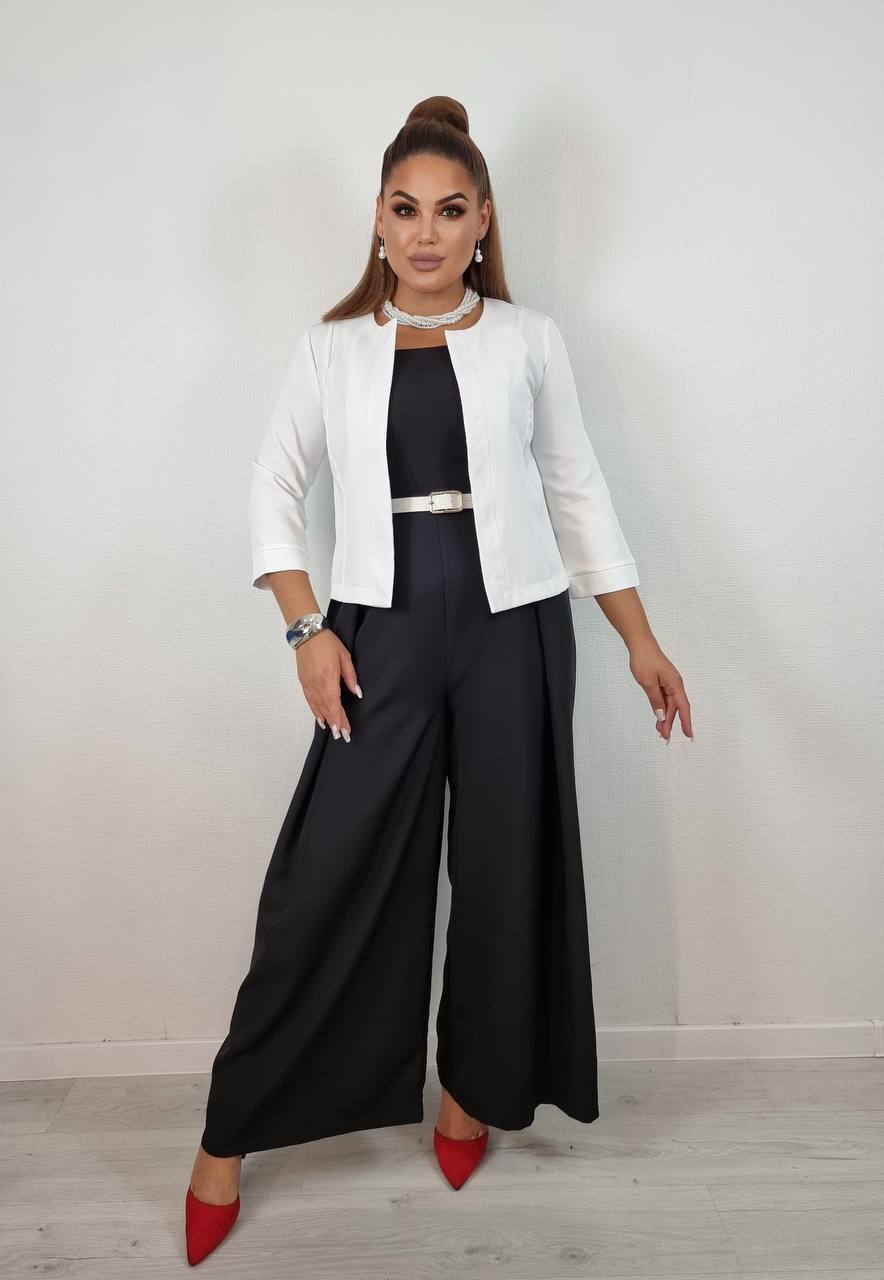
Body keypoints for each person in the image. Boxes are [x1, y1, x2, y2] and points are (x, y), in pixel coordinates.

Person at [184, 94, 693, 1266]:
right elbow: (271, 486)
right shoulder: (331, 347)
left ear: (481, 221)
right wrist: (305, 627)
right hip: (378, 629)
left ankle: (470, 1093)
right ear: (376, 219)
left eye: (449, 210)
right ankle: (225, 1138)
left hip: (517, 627)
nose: (425, 232)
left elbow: (575, 488)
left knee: (506, 867)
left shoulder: (528, 339)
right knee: (323, 875)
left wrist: (637, 637)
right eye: (405, 209)